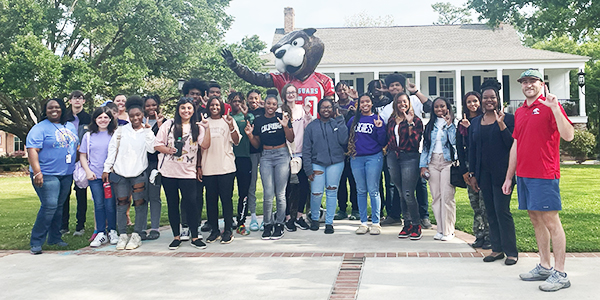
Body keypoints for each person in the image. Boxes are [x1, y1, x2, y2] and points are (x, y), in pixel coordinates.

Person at [502, 69, 574, 291]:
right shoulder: (521, 112)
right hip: (523, 174)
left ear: (542, 84)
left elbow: (569, 135)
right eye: (524, 82)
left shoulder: (551, 106)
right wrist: (509, 177)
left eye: (532, 81)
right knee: (535, 219)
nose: (528, 85)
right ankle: (544, 265)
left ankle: (560, 274)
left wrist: (554, 108)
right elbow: (516, 144)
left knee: (551, 221)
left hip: (544, 174)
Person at [468, 80, 518, 265]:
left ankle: (511, 252)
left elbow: (512, 145)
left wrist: (502, 125)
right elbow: (472, 150)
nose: (489, 100)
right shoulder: (475, 122)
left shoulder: (510, 119)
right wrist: (472, 174)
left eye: (493, 97)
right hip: (483, 174)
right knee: (490, 211)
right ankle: (497, 250)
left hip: (503, 174)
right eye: (485, 98)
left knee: (502, 211)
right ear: (481, 100)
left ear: (498, 99)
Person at [154, 97, 210, 250]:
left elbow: (205, 145)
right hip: (169, 171)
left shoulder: (197, 127)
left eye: (189, 108)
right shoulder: (169, 124)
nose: (186, 111)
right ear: (178, 109)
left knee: (191, 203)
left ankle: (195, 236)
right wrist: (169, 150)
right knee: (172, 204)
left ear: (194, 110)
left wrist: (207, 127)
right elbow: (157, 144)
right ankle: (176, 236)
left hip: (188, 172)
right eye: (183, 108)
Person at [102, 96, 156, 250]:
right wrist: (107, 169)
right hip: (120, 173)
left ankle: (138, 233)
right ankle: (123, 234)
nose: (135, 118)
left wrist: (148, 132)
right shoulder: (120, 131)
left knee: (140, 204)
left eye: (138, 115)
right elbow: (112, 150)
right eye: (132, 116)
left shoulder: (146, 131)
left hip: (138, 173)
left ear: (143, 115)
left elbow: (152, 149)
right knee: (121, 204)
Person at [380, 74, 433, 229]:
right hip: (393, 156)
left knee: (418, 187)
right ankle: (402, 219)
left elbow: (430, 106)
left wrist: (416, 91)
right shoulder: (387, 110)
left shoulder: (414, 101)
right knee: (399, 189)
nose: (394, 88)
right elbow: (385, 132)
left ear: (402, 87)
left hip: (413, 155)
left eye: (397, 85)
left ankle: (422, 217)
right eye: (391, 86)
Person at [27, 98, 79, 254]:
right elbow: (32, 151)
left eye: (57, 107)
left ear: (63, 109)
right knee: (49, 206)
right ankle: (36, 241)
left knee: (59, 207)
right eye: (50, 108)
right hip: (46, 174)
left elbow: (74, 146)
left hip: (66, 173)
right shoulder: (39, 128)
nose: (54, 110)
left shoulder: (69, 126)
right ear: (45, 110)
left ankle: (55, 238)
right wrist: (37, 172)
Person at [245, 94, 294, 240]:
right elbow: (257, 144)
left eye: (273, 104)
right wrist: (249, 135)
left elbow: (291, 138)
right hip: (266, 155)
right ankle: (267, 224)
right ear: (264, 104)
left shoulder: (282, 116)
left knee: (280, 193)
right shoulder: (259, 120)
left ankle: (279, 224)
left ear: (276, 105)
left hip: (282, 154)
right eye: (268, 103)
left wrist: (285, 126)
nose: (271, 106)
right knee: (267, 193)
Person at [303, 98, 348, 234]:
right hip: (317, 163)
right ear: (318, 109)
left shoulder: (337, 123)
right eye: (323, 107)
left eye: (329, 107)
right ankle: (315, 219)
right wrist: (308, 168)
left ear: (333, 109)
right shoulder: (312, 126)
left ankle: (329, 222)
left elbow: (344, 139)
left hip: (336, 162)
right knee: (316, 193)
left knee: (331, 192)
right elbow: (306, 149)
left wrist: (340, 120)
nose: (326, 110)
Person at [346, 94, 386, 235]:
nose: (364, 104)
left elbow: (382, 141)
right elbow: (349, 139)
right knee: (361, 190)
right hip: (356, 158)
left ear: (371, 103)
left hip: (374, 157)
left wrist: (380, 128)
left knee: (373, 190)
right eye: (362, 102)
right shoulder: (353, 120)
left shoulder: (377, 119)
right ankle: (363, 223)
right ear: (358, 104)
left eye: (367, 101)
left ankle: (376, 222)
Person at [387, 93, 424, 240]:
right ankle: (406, 223)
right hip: (393, 157)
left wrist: (409, 124)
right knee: (401, 192)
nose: (402, 104)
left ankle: (416, 224)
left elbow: (415, 142)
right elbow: (388, 139)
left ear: (409, 103)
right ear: (395, 104)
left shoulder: (416, 120)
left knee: (408, 193)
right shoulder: (391, 120)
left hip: (410, 157)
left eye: (405, 101)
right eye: (399, 102)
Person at [202, 96, 240, 244]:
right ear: (208, 107)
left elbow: (236, 141)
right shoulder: (204, 122)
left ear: (222, 106)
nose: (214, 107)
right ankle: (215, 230)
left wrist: (231, 126)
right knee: (211, 201)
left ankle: (228, 230)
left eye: (217, 105)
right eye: (212, 105)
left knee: (226, 200)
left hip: (226, 167)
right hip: (208, 167)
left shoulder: (228, 120)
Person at [456, 91, 491, 249]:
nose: (472, 104)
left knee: (485, 203)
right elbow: (460, 148)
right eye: (469, 102)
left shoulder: (485, 120)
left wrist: (471, 129)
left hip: (483, 165)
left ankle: (490, 236)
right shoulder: (462, 123)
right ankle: (479, 235)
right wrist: (464, 170)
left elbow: (482, 143)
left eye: (475, 101)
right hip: (469, 166)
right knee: (475, 203)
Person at [80, 106, 119, 247]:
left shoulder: (115, 134)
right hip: (95, 176)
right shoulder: (88, 135)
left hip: (111, 176)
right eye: (100, 117)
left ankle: (113, 231)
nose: (103, 120)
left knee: (110, 204)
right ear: (95, 119)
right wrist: (88, 171)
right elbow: (83, 155)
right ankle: (101, 233)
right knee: (99, 204)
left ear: (111, 119)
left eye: (106, 117)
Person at [419, 97, 457, 241]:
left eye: (442, 106)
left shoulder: (454, 123)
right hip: (433, 162)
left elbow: (454, 143)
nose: (439, 109)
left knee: (447, 196)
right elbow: (425, 148)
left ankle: (448, 231)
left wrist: (450, 125)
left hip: (447, 162)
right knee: (436, 197)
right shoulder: (430, 125)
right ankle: (440, 229)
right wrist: (422, 166)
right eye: (436, 107)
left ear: (448, 107)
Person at [280, 83, 312, 232]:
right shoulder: (281, 111)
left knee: (304, 185)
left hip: (301, 152)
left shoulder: (301, 109)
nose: (291, 95)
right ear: (284, 95)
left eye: (293, 92)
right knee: (286, 186)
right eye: (288, 92)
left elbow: (307, 128)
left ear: (297, 94)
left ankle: (299, 216)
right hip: (286, 152)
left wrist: (307, 115)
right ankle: (288, 218)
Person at [61, 90, 91, 237]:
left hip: (82, 160)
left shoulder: (89, 118)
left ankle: (80, 226)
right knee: (64, 194)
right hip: (65, 160)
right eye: (75, 98)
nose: (77, 101)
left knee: (81, 193)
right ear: (70, 101)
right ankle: (63, 226)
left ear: (84, 101)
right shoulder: (63, 117)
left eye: (80, 98)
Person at [182, 78, 209, 236]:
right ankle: (185, 225)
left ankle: (196, 225)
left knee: (199, 195)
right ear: (186, 94)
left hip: (205, 159)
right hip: (186, 162)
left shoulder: (204, 114)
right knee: (187, 196)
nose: (195, 97)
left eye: (198, 94)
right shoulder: (183, 114)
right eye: (192, 94)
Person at [229, 92, 253, 235]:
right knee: (227, 192)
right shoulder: (226, 118)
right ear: (229, 102)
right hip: (229, 159)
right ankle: (228, 220)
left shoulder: (248, 116)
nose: (236, 103)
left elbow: (252, 131)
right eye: (233, 101)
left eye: (239, 101)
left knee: (243, 192)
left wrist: (245, 116)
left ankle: (241, 222)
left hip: (244, 158)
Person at [334, 82, 359, 221]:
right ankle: (342, 209)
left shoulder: (355, 105)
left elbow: (363, 115)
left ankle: (356, 209)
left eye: (344, 89)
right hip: (338, 148)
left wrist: (356, 102)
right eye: (339, 89)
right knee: (340, 180)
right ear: (336, 91)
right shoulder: (334, 107)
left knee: (354, 180)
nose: (342, 91)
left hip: (354, 148)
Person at [143, 95, 166, 240]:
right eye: (148, 105)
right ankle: (141, 227)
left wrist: (157, 127)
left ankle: (155, 228)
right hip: (140, 163)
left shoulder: (165, 122)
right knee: (142, 196)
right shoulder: (138, 121)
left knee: (154, 195)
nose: (151, 108)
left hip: (156, 164)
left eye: (154, 105)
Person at [246, 89, 265, 231]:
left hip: (265, 152)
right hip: (251, 153)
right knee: (251, 185)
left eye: (256, 98)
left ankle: (266, 216)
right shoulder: (244, 113)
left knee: (267, 186)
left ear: (260, 99)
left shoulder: (266, 111)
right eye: (251, 98)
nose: (253, 101)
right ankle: (253, 216)